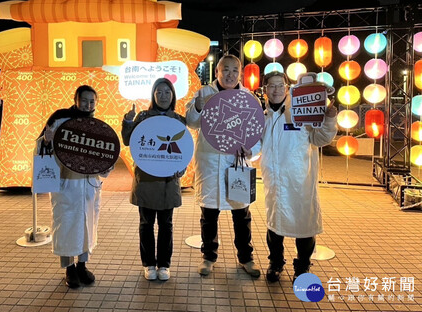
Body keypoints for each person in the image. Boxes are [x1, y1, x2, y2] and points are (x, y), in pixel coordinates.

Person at [251, 71, 337, 283]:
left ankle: (302, 265)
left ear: (288, 88)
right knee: (275, 225)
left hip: (300, 180)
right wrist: (245, 150)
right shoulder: (263, 117)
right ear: (264, 91)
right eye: (271, 86)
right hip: (274, 181)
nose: (276, 89)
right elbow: (256, 146)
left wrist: (329, 117)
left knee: (304, 225)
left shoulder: (302, 113)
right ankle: (276, 263)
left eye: (281, 85)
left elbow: (320, 138)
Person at [185, 54, 261, 278]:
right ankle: (208, 257)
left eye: (234, 71)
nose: (230, 74)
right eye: (225, 70)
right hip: (209, 162)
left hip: (236, 163)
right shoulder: (204, 93)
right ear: (217, 72)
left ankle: (246, 258)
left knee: (242, 214)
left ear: (240, 74)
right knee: (209, 213)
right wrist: (198, 108)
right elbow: (191, 122)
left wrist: (252, 151)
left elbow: (257, 132)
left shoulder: (248, 98)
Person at [36, 85, 114, 288]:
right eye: (84, 100)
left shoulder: (96, 126)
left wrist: (107, 165)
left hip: (89, 185)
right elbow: (40, 149)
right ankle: (69, 268)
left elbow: (103, 157)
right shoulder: (59, 119)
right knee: (67, 226)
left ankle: (82, 265)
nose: (88, 104)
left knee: (87, 225)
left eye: (92, 101)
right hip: (66, 184)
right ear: (76, 99)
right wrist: (46, 140)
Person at [121, 78, 186, 281]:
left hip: (168, 180)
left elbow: (184, 149)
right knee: (146, 223)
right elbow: (127, 140)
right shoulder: (143, 116)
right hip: (147, 178)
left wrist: (182, 167)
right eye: (159, 92)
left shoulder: (178, 119)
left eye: (167, 92)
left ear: (173, 95)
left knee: (166, 224)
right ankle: (149, 264)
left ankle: (164, 264)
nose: (163, 95)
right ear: (153, 95)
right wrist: (129, 121)